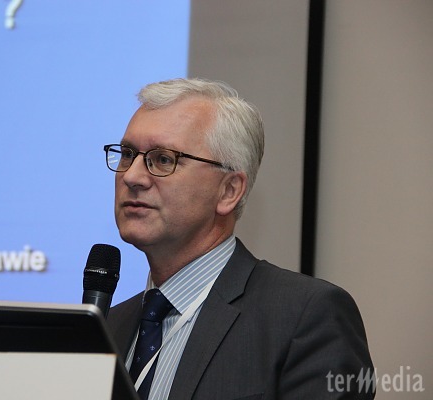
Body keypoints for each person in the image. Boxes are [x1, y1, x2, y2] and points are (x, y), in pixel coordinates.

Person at [104, 78, 375, 399]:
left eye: (163, 159)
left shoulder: (305, 318)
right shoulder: (111, 325)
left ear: (229, 191)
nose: (132, 176)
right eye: (128, 154)